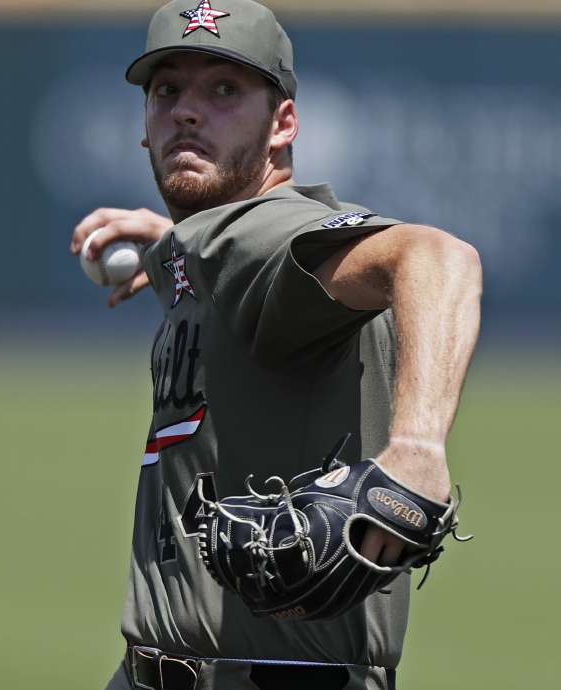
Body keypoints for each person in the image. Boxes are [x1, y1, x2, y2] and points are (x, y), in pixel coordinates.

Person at [68, 1, 482, 688]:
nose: (187, 111)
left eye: (224, 90)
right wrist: (175, 252)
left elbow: (441, 259)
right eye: (167, 90)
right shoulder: (222, 251)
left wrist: (418, 448)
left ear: (283, 123)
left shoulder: (250, 237)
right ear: (144, 124)